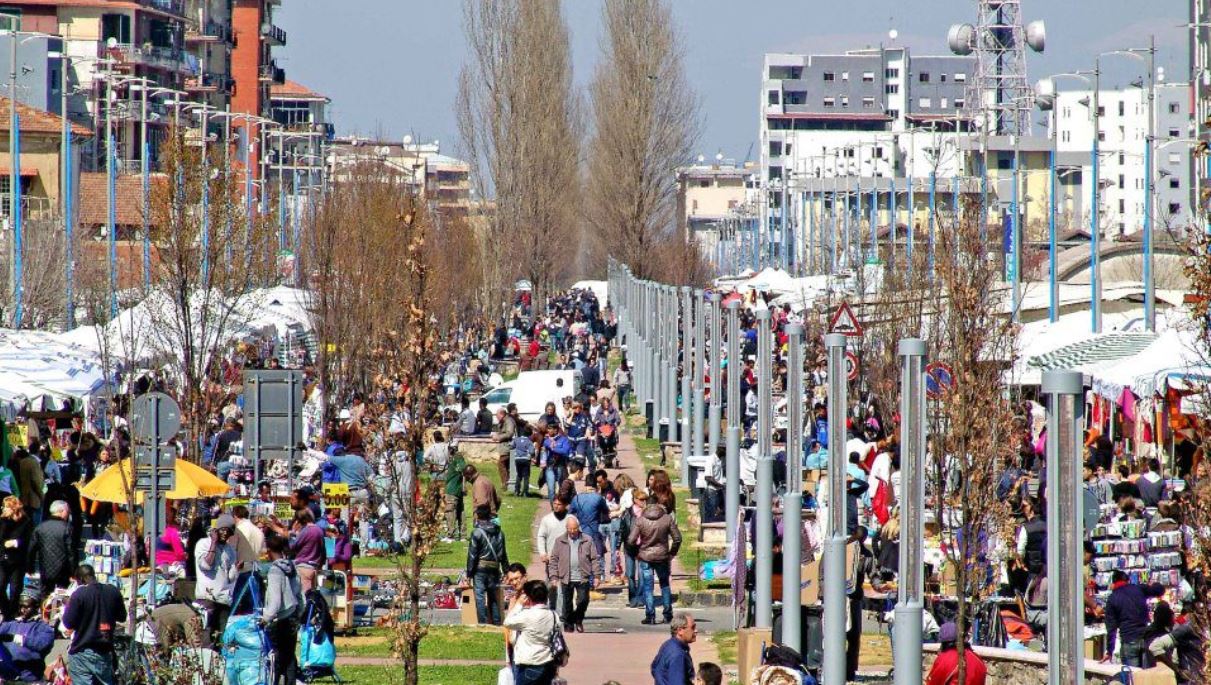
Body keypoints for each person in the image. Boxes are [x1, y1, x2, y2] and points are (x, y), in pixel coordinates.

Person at [61, 564, 126, 685]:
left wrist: (69, 605)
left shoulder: (79, 594)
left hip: (81, 651)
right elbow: (122, 617)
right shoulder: (113, 591)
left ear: (81, 579)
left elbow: (68, 623)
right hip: (104, 651)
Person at [628, 496, 682, 625]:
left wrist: (636, 553)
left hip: (645, 556)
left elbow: (631, 540)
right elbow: (677, 538)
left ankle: (650, 615)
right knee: (664, 584)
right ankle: (667, 614)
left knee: (648, 587)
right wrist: (672, 553)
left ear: (646, 504)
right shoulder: (667, 518)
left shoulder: (641, 520)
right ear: (658, 504)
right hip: (662, 556)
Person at [262, 534, 304, 685]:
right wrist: (299, 612)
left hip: (280, 618)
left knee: (276, 658)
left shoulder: (275, 570)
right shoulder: (292, 566)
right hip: (293, 615)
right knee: (290, 656)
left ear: (269, 550)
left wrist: (265, 618)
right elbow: (299, 593)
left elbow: (275, 600)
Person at [1103, 570, 1167, 667]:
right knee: (1147, 674)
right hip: (1146, 639)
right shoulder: (1139, 589)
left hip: (1129, 641)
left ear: (1113, 583)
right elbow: (1160, 590)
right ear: (1128, 580)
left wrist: (1109, 651)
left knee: (1132, 674)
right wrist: (1154, 584)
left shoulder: (1112, 599)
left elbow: (1111, 628)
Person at [503, 580, 561, 685]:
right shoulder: (553, 615)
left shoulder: (527, 615)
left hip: (529, 664)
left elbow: (507, 622)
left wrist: (519, 604)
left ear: (529, 597)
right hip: (548, 664)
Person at [547, 515, 599, 633]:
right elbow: (554, 559)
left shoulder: (587, 540)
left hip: (583, 576)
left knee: (583, 601)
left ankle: (578, 619)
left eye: (574, 529)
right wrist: (554, 576)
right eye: (570, 529)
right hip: (566, 576)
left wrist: (596, 575)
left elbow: (594, 559)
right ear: (566, 528)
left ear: (578, 528)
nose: (572, 531)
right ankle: (569, 624)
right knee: (567, 603)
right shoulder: (559, 541)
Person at [195, 513, 239, 639]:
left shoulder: (230, 550)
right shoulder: (203, 544)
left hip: (223, 599)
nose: (225, 534)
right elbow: (205, 565)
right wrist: (213, 543)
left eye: (228, 531)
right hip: (207, 598)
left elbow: (230, 577)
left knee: (221, 636)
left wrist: (236, 568)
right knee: (206, 635)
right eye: (223, 530)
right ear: (217, 530)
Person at [466, 505, 508, 625]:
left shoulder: (476, 532)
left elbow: (472, 555)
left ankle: (482, 623)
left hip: (480, 569)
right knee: (493, 597)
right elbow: (503, 554)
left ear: (478, 516)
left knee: (479, 597)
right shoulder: (500, 532)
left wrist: (469, 573)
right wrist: (506, 570)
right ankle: (496, 622)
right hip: (494, 568)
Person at [0, 594, 56, 681]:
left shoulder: (43, 627)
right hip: (8, 676)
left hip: (30, 677)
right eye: (21, 606)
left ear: (36, 607)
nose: (22, 610)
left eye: (26, 607)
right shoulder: (12, 624)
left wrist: (16, 638)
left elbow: (42, 644)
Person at [28, 500, 75, 599]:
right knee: (62, 596)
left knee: (45, 595)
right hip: (63, 570)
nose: (68, 514)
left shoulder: (40, 527)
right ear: (62, 511)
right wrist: (73, 571)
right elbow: (71, 552)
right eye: (67, 511)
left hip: (45, 568)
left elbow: (31, 549)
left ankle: (44, 607)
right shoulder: (67, 528)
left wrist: (30, 566)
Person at [0, 496, 32, 617]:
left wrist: (16, 542)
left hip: (18, 559)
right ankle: (5, 608)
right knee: (0, 585)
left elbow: (29, 540)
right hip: (3, 558)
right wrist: (5, 543)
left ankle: (12, 612)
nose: (3, 509)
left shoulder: (25, 521)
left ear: (13, 508)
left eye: (6, 507)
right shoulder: (2, 521)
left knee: (15, 588)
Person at [651, 612, 697, 685]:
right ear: (680, 630)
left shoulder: (667, 644)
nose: (696, 631)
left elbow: (654, 668)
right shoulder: (678, 655)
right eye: (693, 627)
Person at [11, 450, 43, 523]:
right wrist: (41, 495)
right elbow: (36, 481)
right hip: (33, 498)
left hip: (20, 498)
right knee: (35, 519)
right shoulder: (32, 462)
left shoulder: (13, 465)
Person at [491, 408, 518, 490]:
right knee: (506, 465)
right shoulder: (503, 421)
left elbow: (510, 433)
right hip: (505, 447)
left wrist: (498, 437)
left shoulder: (509, 421)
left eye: (497, 415)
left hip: (509, 447)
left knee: (501, 463)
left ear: (502, 414)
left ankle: (505, 484)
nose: (496, 417)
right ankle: (508, 484)